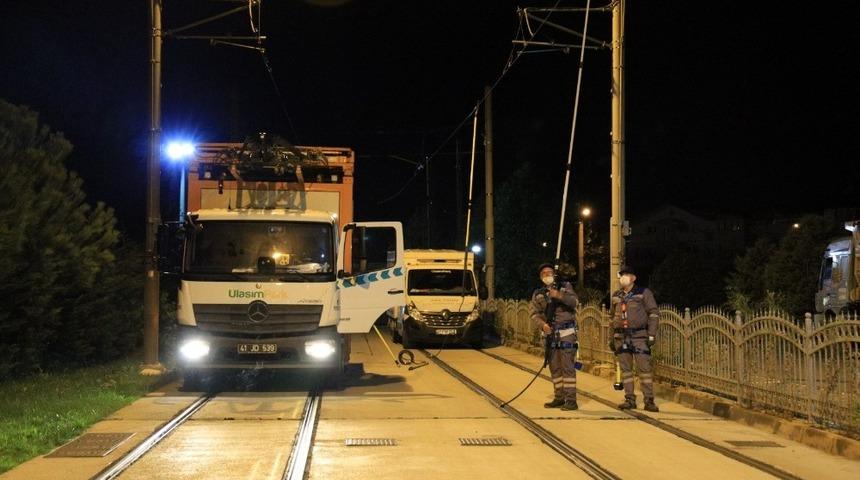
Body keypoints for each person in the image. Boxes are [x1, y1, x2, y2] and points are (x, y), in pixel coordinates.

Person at [609, 265, 660, 412]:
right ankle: (629, 399)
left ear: (633, 278)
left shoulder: (643, 293)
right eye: (622, 274)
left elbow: (653, 313)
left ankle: (649, 400)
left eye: (627, 274)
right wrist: (611, 338)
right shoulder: (616, 295)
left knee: (644, 369)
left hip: (639, 336)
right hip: (621, 337)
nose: (623, 277)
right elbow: (612, 318)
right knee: (626, 370)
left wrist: (651, 334)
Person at [529, 263, 579, 410]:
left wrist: (558, 295)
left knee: (567, 367)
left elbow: (574, 302)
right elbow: (534, 313)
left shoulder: (565, 286)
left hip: (566, 333)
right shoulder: (538, 293)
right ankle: (559, 397)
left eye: (549, 272)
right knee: (555, 368)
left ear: (554, 274)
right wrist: (543, 325)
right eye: (543, 273)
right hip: (550, 334)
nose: (547, 275)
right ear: (540, 277)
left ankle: (571, 400)